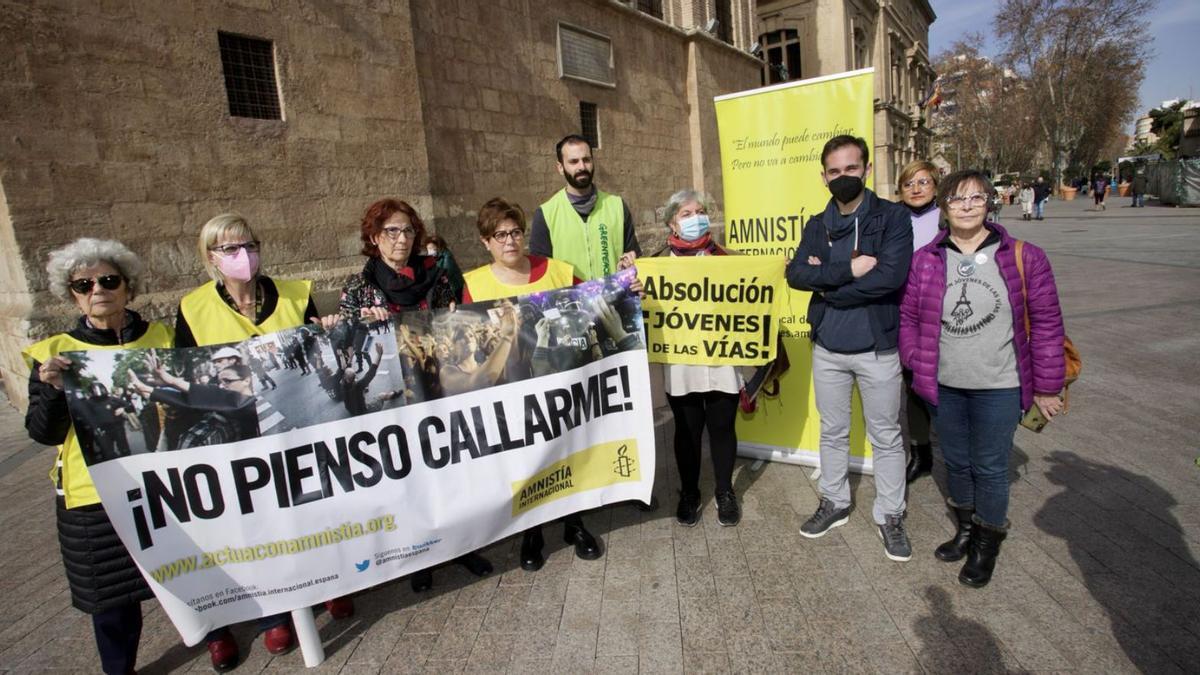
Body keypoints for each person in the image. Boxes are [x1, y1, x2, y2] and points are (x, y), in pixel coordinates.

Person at [176, 213, 351, 671]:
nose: (242, 256)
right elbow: (186, 380)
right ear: (210, 257)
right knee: (263, 526)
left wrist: (329, 329)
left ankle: (328, 584)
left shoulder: (294, 293)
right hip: (240, 438)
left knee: (313, 510)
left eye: (248, 245)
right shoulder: (193, 308)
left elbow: (319, 352)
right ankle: (274, 615)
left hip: (298, 429)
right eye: (229, 249)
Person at [900, 169, 1065, 587]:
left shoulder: (1025, 256)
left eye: (977, 198)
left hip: (1000, 385)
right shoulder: (927, 259)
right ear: (945, 206)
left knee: (990, 466)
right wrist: (918, 361)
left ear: (990, 202)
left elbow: (1046, 324)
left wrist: (1047, 386)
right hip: (946, 384)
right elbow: (910, 318)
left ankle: (987, 543)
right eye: (958, 199)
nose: (968, 206)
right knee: (955, 460)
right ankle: (966, 528)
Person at [23, 238, 175, 675]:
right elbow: (42, 432)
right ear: (71, 294)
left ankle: (213, 635)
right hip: (93, 492)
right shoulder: (53, 354)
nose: (97, 290)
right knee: (112, 598)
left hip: (164, 479)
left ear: (128, 287)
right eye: (83, 284)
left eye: (108, 280)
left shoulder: (163, 338)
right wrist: (51, 391)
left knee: (188, 570)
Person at [336, 198, 493, 593]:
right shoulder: (359, 287)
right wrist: (358, 326)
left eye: (407, 230)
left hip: (437, 386)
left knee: (449, 467)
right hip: (396, 400)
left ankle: (461, 545)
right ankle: (421, 555)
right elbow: (345, 345)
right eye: (391, 231)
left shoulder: (434, 276)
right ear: (374, 237)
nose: (401, 238)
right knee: (410, 476)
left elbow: (451, 322)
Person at [785, 135, 913, 561]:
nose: (843, 177)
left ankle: (890, 515)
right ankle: (834, 501)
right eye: (834, 172)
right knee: (833, 430)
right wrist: (849, 270)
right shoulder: (817, 224)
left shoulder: (892, 218)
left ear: (867, 170)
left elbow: (890, 278)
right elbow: (797, 275)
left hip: (877, 348)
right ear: (824, 177)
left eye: (851, 169)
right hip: (828, 348)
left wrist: (830, 287)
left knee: (887, 436)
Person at [461, 197, 605, 571]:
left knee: (567, 453)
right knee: (525, 464)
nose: (509, 241)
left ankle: (575, 525)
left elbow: (593, 305)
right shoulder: (473, 285)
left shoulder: (558, 270)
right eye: (499, 234)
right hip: (512, 393)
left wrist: (627, 287)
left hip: (562, 384)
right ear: (485, 241)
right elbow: (472, 344)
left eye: (515, 232)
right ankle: (533, 532)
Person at [653, 189, 744, 527]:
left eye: (700, 211)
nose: (696, 218)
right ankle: (690, 492)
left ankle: (724, 492)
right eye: (687, 214)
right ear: (673, 224)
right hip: (682, 362)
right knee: (687, 432)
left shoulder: (729, 258)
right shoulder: (657, 264)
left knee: (722, 427)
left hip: (722, 357)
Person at [529, 134, 641, 281]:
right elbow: (540, 274)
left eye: (586, 160)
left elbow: (634, 258)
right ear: (560, 167)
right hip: (570, 303)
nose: (581, 167)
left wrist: (631, 264)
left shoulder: (617, 206)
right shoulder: (545, 214)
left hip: (615, 300)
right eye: (573, 161)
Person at [895, 160, 940, 483]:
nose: (916, 188)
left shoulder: (949, 219)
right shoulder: (891, 218)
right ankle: (921, 452)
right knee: (913, 386)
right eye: (909, 183)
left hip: (940, 313)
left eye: (923, 182)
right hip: (903, 312)